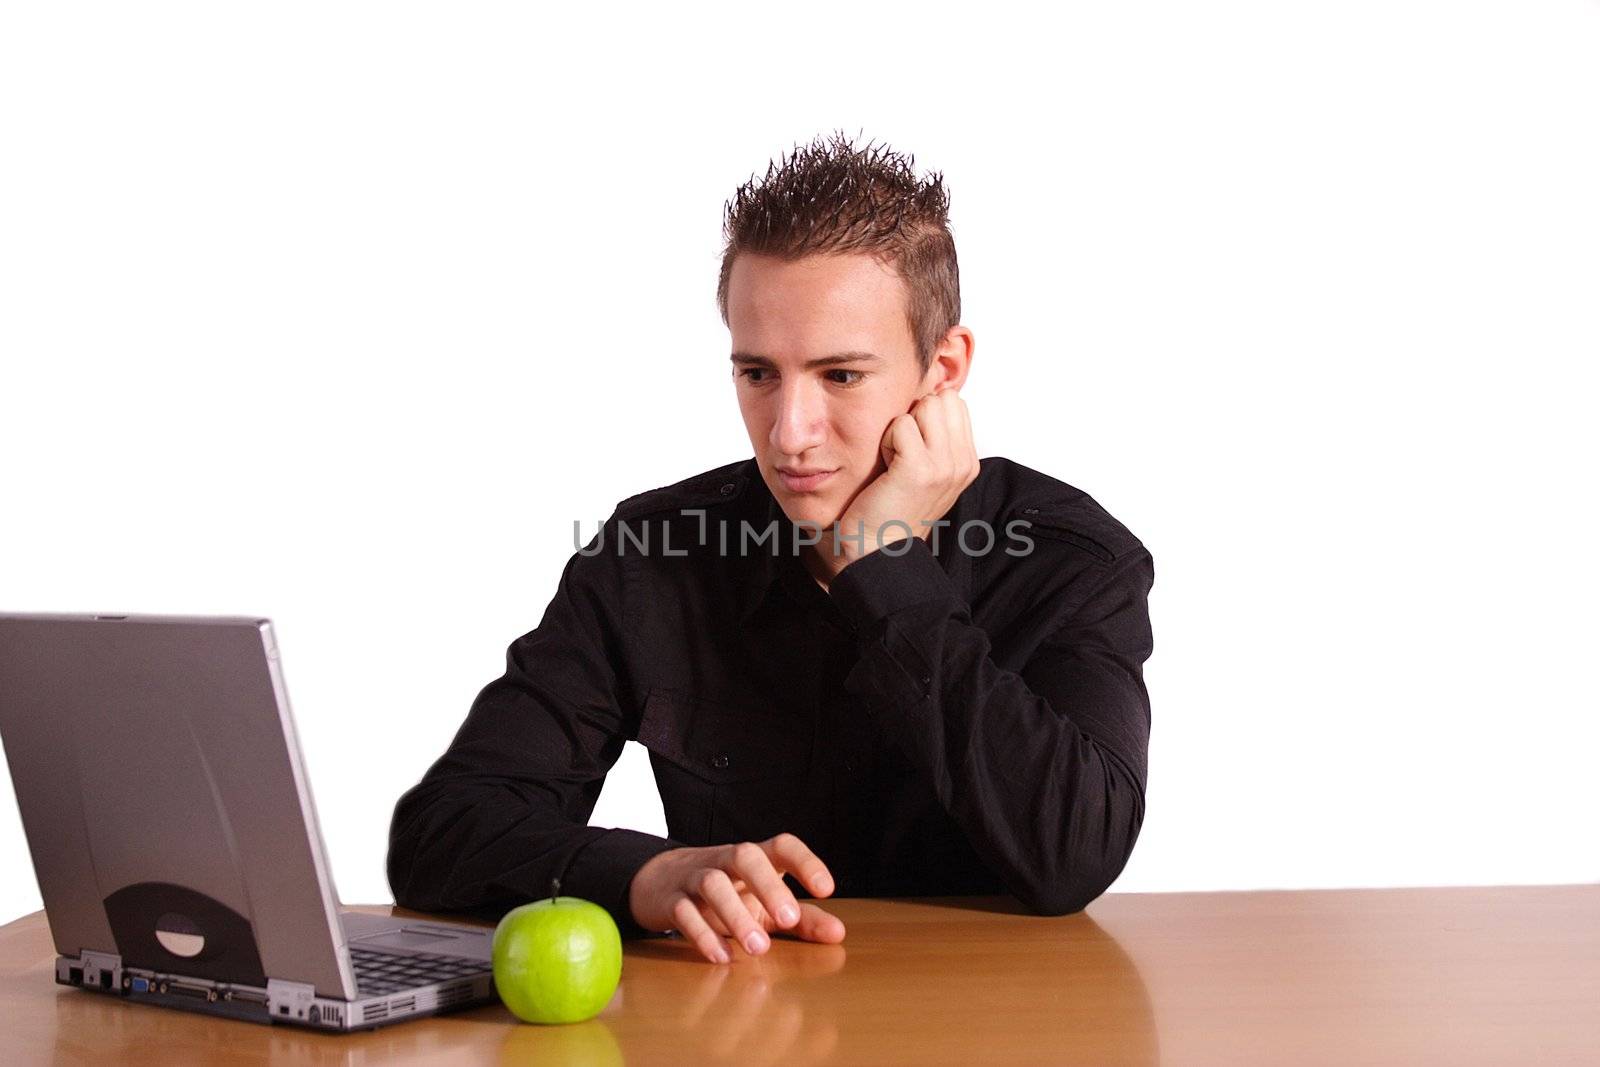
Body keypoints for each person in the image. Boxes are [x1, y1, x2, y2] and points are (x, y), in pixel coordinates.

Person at [386, 130, 1156, 966]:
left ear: (943, 369)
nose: (790, 434)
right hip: (739, 1026)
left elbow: (1075, 853)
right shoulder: (652, 556)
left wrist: (881, 566)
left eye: (841, 376)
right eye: (758, 374)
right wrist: (644, 875)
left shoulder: (1069, 557)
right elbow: (441, 833)